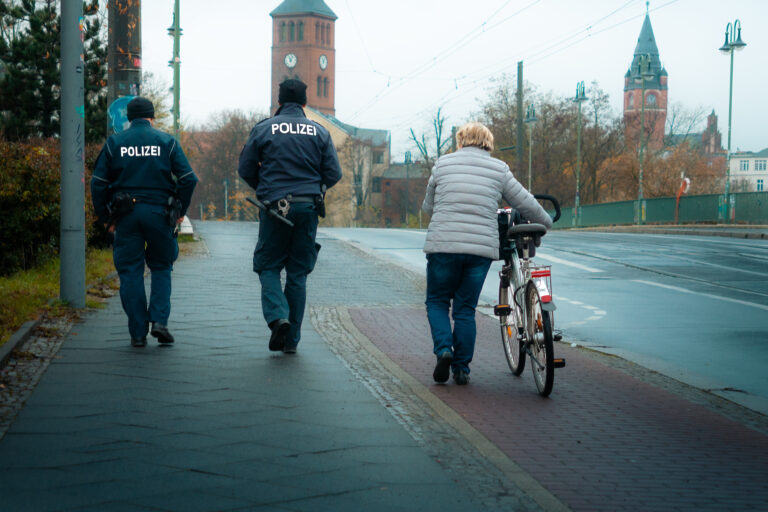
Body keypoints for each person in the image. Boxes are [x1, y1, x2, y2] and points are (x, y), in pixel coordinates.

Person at [422, 122, 552, 385]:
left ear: (461, 141)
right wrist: (546, 221)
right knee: (465, 309)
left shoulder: (442, 165)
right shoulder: (498, 169)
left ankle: (444, 350)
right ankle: (461, 369)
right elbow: (523, 200)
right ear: (488, 143)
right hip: (479, 251)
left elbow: (429, 207)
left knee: (437, 302)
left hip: (443, 246)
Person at [238, 79, 342, 354]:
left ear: (280, 102)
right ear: (305, 103)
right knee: (298, 273)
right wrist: (315, 189)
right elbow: (334, 174)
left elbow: (245, 167)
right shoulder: (319, 132)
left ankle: (277, 318)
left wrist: (264, 188)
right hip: (308, 208)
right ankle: (291, 341)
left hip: (275, 207)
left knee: (268, 266)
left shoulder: (264, 129)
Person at [91, 97, 198, 347]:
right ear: (152, 117)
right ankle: (159, 322)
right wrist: (180, 210)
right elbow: (188, 179)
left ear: (129, 118)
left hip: (125, 215)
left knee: (130, 271)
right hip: (159, 214)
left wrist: (106, 218)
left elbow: (98, 183)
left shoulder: (114, 143)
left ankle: (137, 332)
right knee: (161, 266)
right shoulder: (166, 142)